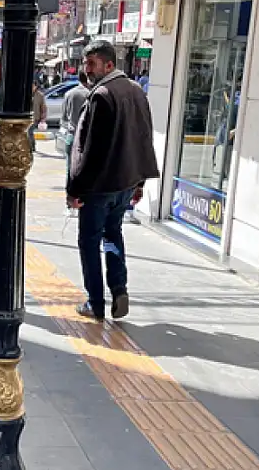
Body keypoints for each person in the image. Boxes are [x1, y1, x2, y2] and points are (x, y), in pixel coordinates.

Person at [67, 40, 160, 321]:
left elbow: (90, 149)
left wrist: (76, 189)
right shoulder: (135, 90)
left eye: (92, 64)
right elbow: (144, 138)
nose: (87, 69)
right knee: (113, 234)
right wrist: (140, 181)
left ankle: (95, 301)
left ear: (109, 64)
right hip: (126, 182)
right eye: (85, 63)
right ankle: (119, 288)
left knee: (89, 241)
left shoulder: (102, 95)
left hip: (101, 187)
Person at [60, 77, 91, 192]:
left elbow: (63, 117)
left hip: (71, 135)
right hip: (86, 136)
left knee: (70, 167)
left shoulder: (69, 94)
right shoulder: (90, 94)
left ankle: (70, 191)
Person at [28, 80, 47, 152]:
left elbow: (43, 108)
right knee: (29, 132)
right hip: (28, 116)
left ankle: (31, 146)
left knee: (29, 131)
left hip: (36, 117)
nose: (32, 87)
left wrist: (43, 119)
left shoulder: (40, 95)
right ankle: (32, 145)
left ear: (36, 86)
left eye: (33, 85)